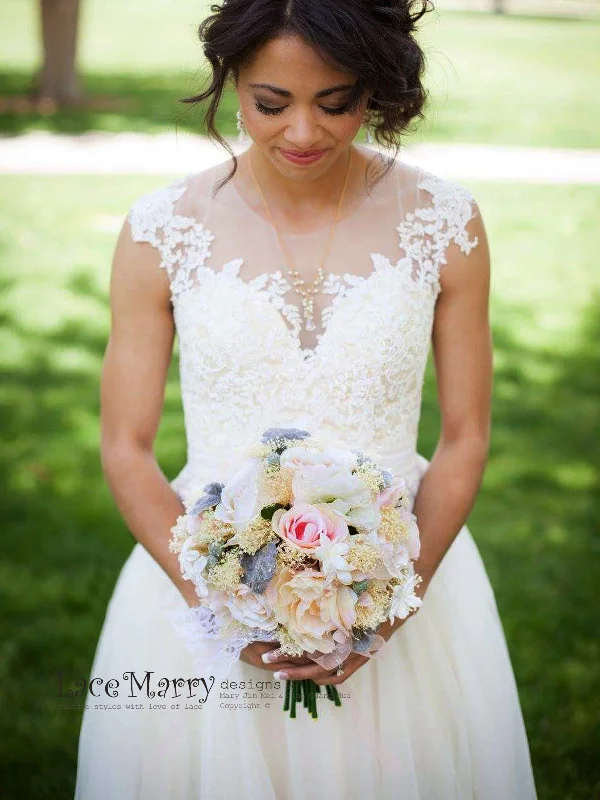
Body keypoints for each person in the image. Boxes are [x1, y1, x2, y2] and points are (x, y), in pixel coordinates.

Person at [75, 0, 538, 797]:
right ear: (230, 81)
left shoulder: (446, 222)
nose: (302, 133)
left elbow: (465, 436)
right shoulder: (161, 230)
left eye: (338, 103)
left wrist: (392, 600)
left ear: (377, 87)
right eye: (269, 104)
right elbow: (126, 446)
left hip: (407, 579)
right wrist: (225, 608)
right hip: (202, 588)